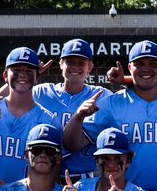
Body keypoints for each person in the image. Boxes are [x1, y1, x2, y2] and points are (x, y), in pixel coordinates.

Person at [64, 40, 157, 191]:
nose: (146, 69)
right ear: (130, 67)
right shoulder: (110, 104)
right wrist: (78, 117)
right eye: (139, 64)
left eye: (153, 64)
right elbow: (73, 144)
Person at [0, 47, 56, 183]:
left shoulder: (48, 121)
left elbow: (53, 171)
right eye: (16, 70)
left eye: (29, 70)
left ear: (37, 77)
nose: (22, 75)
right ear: (5, 76)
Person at [33, 39, 110, 178]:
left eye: (81, 62)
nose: (75, 66)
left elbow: (128, 100)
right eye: (70, 61)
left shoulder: (101, 95)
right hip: (47, 180)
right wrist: (31, 76)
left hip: (86, 179)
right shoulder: (42, 93)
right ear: (61, 64)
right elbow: (10, 96)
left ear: (90, 68)